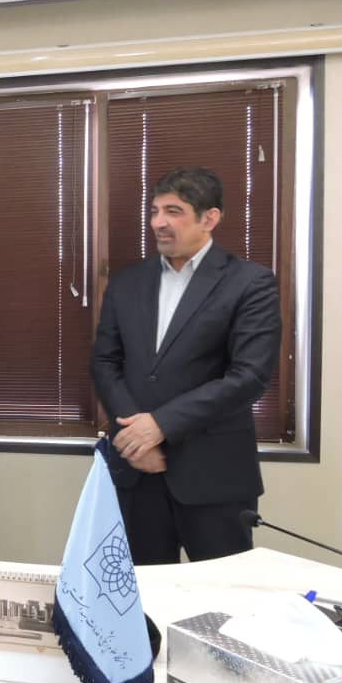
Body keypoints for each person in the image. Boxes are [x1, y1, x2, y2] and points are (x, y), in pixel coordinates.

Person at [91, 166, 281, 565]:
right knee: (140, 595)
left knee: (223, 596)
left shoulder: (250, 282)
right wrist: (134, 439)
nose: (158, 222)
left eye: (173, 211)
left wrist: (160, 426)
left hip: (214, 476)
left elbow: (249, 376)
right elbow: (105, 361)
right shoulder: (127, 282)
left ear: (209, 218)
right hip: (137, 474)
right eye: (155, 211)